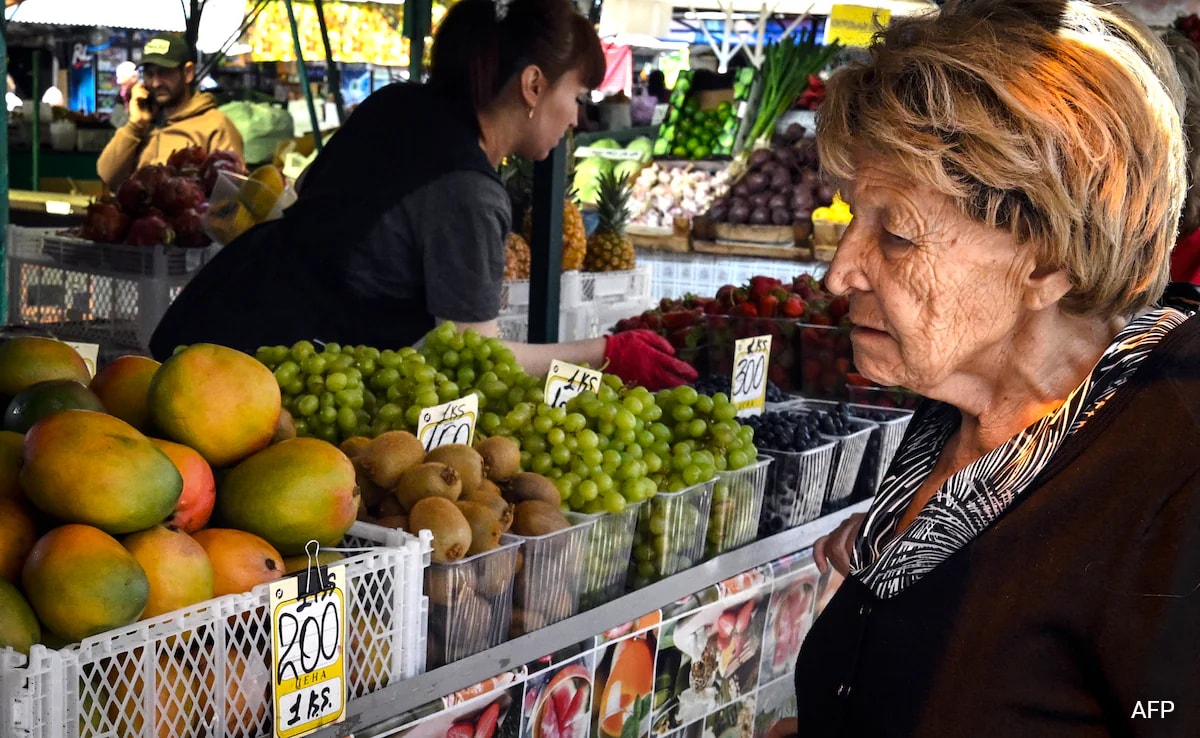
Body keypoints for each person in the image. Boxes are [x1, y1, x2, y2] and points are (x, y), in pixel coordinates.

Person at [783, 1, 1200, 735]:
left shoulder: (1174, 476)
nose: (841, 273)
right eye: (850, 219)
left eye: (900, 236)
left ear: (1049, 259)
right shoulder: (960, 405)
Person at [149, 0, 696, 391]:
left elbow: (310, 202)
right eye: (576, 95)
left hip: (212, 322)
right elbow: (475, 356)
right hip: (252, 381)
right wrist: (606, 355)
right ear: (533, 86)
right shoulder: (469, 191)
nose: (577, 116)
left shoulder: (396, 104)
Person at [97, 33, 243, 189]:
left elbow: (230, 194)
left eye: (164, 72)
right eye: (149, 74)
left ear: (188, 73)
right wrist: (135, 125)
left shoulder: (217, 125)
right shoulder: (143, 126)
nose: (155, 83)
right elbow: (107, 176)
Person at [108, 61, 139, 128]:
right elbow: (116, 121)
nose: (119, 83)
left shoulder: (142, 95)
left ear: (134, 78)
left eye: (124, 83)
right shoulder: (121, 96)